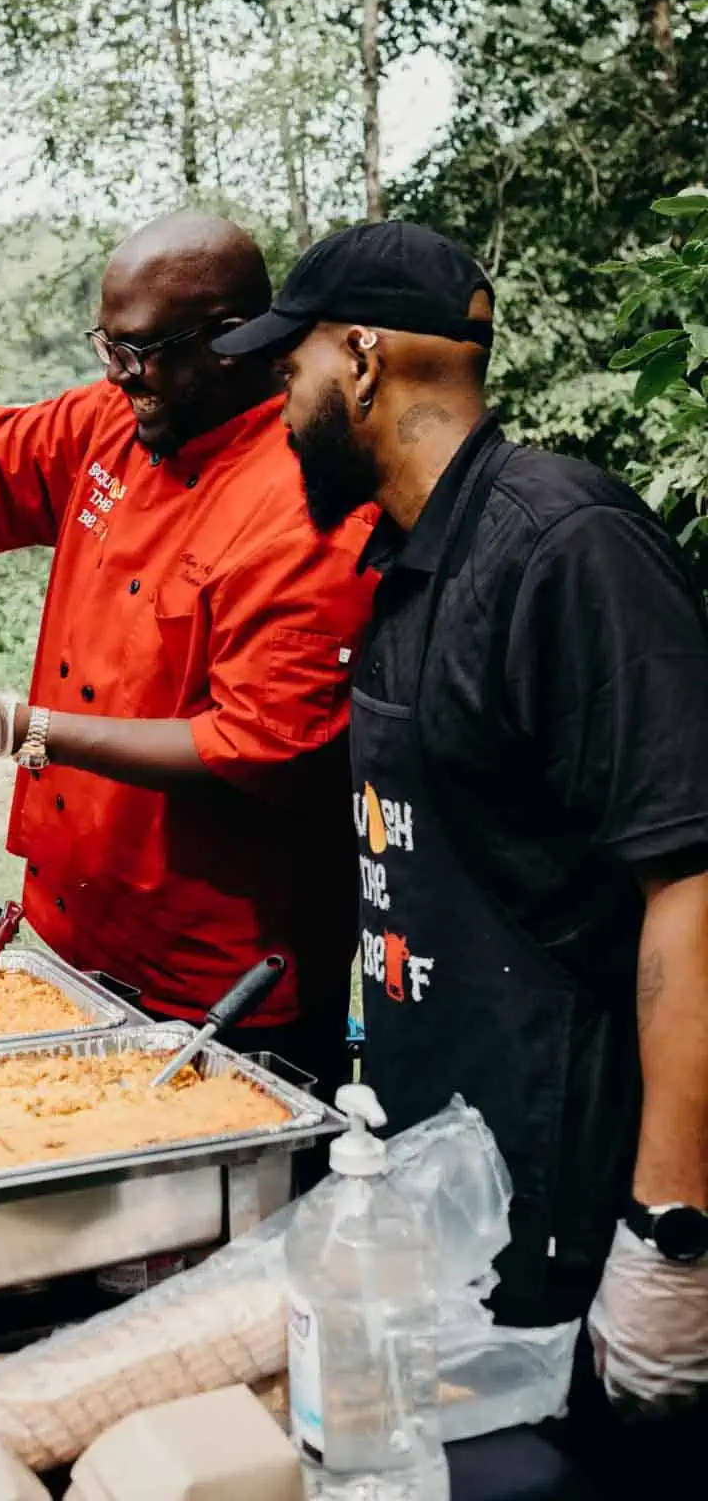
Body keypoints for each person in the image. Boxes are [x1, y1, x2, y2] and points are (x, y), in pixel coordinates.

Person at [213, 220, 708, 1488]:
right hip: (448, 1185)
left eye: (293, 370)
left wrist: (671, 1239)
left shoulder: (565, 547)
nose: (281, 405)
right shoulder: (406, 559)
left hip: (575, 1194)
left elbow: (692, 885)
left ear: (364, 359)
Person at [0, 213, 376, 1087]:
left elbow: (251, 748)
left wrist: (16, 728)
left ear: (227, 340)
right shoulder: (121, 419)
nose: (115, 375)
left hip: (219, 978)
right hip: (64, 928)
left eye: (139, 354)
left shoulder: (310, 507)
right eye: (108, 346)